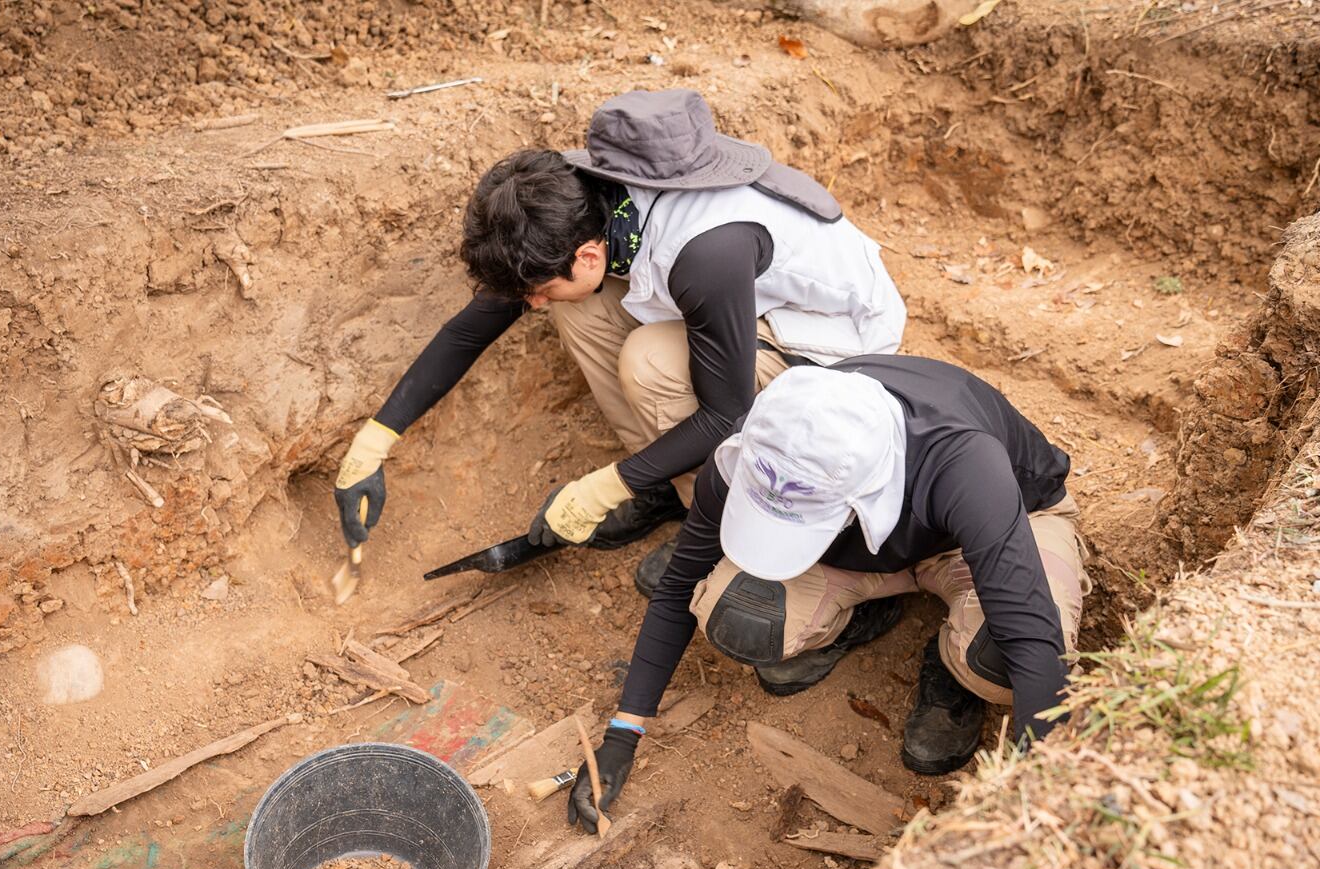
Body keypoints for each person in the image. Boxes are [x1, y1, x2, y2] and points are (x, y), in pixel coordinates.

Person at [333, 89, 906, 588]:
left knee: (648, 362)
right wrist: (376, 440)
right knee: (576, 308)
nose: (531, 303)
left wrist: (604, 487)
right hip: (741, 309)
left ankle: (716, 519)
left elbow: (725, 413)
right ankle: (662, 484)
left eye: (537, 289)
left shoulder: (706, 252)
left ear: (587, 256)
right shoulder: (575, 195)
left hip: (829, 347)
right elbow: (474, 326)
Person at [565, 357, 1092, 834]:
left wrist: (1036, 812)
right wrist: (622, 733)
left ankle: (954, 662)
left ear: (864, 498)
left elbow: (1031, 638)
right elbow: (681, 582)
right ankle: (868, 611)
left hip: (1000, 532)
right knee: (741, 617)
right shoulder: (768, 443)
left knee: (998, 660)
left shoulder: (963, 464)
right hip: (865, 549)